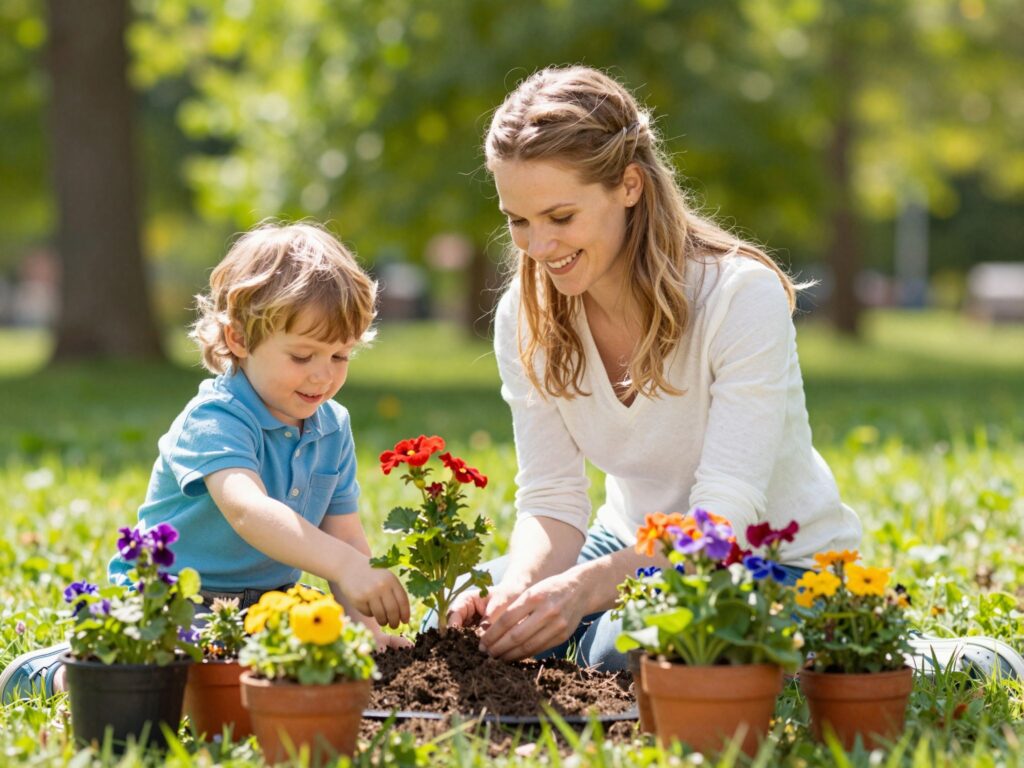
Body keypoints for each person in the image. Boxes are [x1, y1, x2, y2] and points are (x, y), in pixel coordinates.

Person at [445, 65, 1024, 682]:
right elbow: (552, 501)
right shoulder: (527, 313)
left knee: (635, 645)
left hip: (776, 561)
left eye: (560, 217)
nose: (537, 247)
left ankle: (934, 661)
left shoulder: (738, 296)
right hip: (625, 547)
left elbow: (720, 528)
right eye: (518, 220)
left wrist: (582, 592)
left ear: (630, 186)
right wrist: (523, 588)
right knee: (465, 619)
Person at [1, 221, 411, 702]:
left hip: (268, 605)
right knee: (159, 674)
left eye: (341, 355)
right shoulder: (216, 417)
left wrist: (366, 629)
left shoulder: (330, 425)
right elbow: (248, 511)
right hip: (175, 600)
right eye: (302, 355)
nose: (323, 375)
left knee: (319, 657)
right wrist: (344, 565)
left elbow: (344, 535)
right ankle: (58, 672)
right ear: (239, 339)